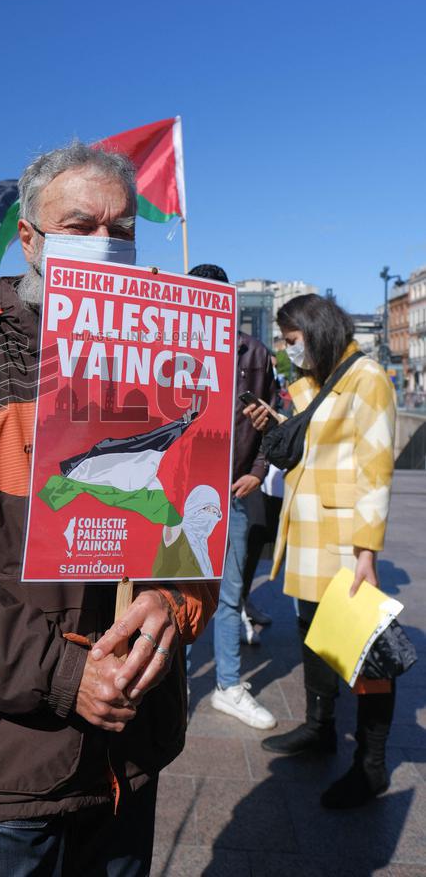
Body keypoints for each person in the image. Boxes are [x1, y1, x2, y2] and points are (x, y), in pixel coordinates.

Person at [0, 142, 218, 876]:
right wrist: (62, 676)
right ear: (30, 238)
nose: (105, 244)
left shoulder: (173, 367)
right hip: (15, 757)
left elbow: (192, 520)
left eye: (121, 230)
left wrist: (174, 597)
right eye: (80, 224)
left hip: (135, 746)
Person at [245, 293, 397, 808]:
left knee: (361, 649)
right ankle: (319, 728)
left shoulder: (368, 378)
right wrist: (278, 421)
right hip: (308, 535)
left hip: (341, 541)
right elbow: (308, 447)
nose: (289, 352)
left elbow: (376, 470)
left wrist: (367, 552)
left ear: (315, 329)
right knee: (313, 636)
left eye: (292, 341)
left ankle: (371, 765)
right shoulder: (316, 384)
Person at [186, 264, 277, 729]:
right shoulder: (171, 347)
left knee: (230, 594)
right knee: (179, 590)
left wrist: (259, 472)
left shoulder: (255, 354)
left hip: (235, 489)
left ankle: (228, 685)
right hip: (182, 492)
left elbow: (270, 416)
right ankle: (174, 684)